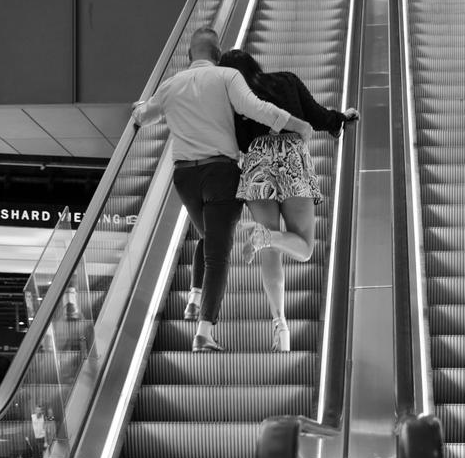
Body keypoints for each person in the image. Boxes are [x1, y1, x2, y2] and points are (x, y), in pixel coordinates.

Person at [131, 26, 315, 353]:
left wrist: (140, 107)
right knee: (217, 252)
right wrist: (296, 123)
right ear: (217, 55)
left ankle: (194, 298)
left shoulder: (170, 85)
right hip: (220, 172)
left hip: (184, 176)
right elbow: (258, 108)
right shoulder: (227, 76)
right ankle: (203, 332)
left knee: (209, 238)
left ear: (189, 55)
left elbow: (143, 117)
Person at [220, 48, 359, 353]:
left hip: (256, 161)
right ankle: (267, 237)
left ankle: (280, 324)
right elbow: (318, 116)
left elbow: (230, 140)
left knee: (271, 254)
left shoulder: (231, 96)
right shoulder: (286, 80)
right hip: (292, 157)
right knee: (304, 248)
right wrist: (341, 118)